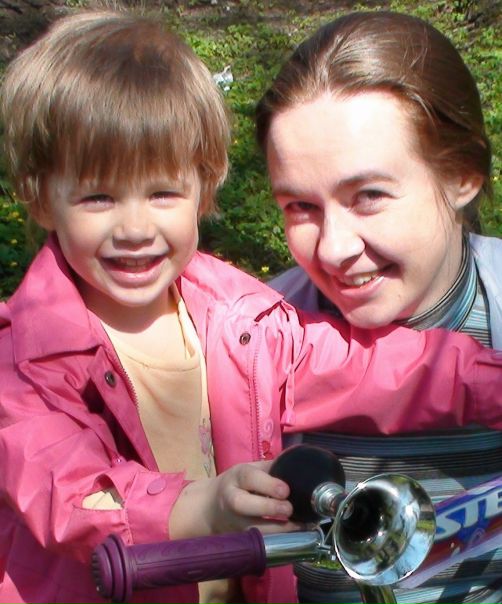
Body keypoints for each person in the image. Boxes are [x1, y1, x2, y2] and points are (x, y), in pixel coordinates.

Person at [0, 8, 501, 604]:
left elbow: (373, 370)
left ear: (202, 189)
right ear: (40, 199)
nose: (134, 229)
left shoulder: (241, 320)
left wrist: (489, 382)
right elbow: (62, 489)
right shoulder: (23, 360)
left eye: (162, 192)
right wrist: (199, 507)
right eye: (97, 197)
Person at [256, 10, 502, 604]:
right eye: (300, 207)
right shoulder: (253, 337)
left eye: (368, 195)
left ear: (461, 175)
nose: (333, 249)